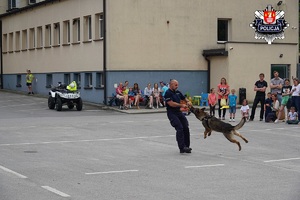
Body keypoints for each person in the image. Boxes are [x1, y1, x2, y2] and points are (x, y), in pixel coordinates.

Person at [164, 79, 193, 154]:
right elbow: (171, 103)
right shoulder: (167, 93)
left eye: (177, 85)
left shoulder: (178, 92)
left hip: (178, 112)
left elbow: (183, 98)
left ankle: (187, 146)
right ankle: (182, 147)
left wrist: (188, 101)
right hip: (172, 112)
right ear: (171, 85)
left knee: (186, 127)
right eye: (175, 85)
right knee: (179, 128)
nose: (177, 86)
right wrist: (181, 105)